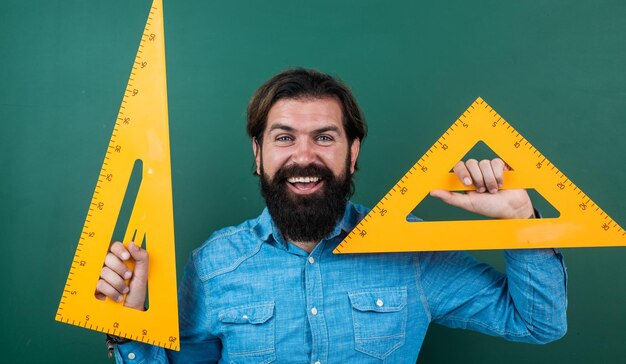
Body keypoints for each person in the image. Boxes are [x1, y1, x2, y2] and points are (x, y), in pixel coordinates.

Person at [97, 68, 567, 363]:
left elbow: (540, 324)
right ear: (258, 152)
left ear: (353, 151)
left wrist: (520, 218)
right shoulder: (215, 264)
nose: (304, 156)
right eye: (284, 138)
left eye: (324, 137)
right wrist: (131, 324)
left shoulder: (412, 253)